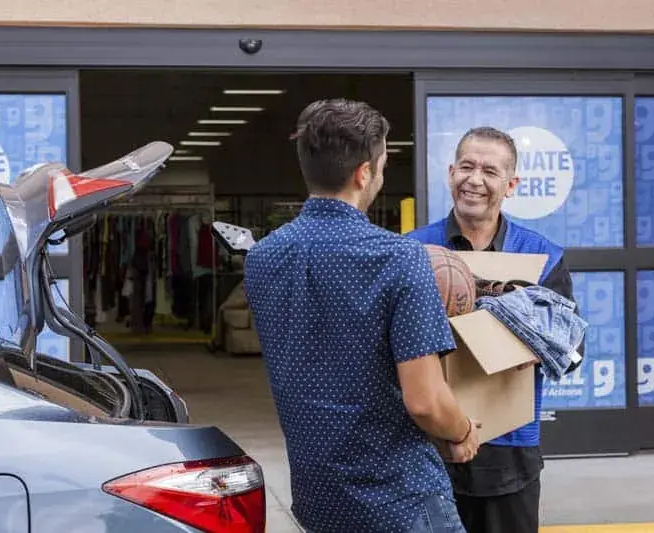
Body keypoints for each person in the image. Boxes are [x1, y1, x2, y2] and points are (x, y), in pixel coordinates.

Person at [243, 98, 480, 533]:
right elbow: (426, 402)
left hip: (319, 502)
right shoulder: (400, 258)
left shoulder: (262, 258)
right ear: (364, 173)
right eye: (383, 164)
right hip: (401, 502)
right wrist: (463, 431)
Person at [407, 126, 583, 533]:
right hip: (427, 451)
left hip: (510, 453)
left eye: (489, 171)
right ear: (450, 173)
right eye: (466, 167)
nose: (474, 179)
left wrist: (524, 333)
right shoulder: (412, 251)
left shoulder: (541, 258)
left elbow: (573, 354)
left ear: (511, 185)